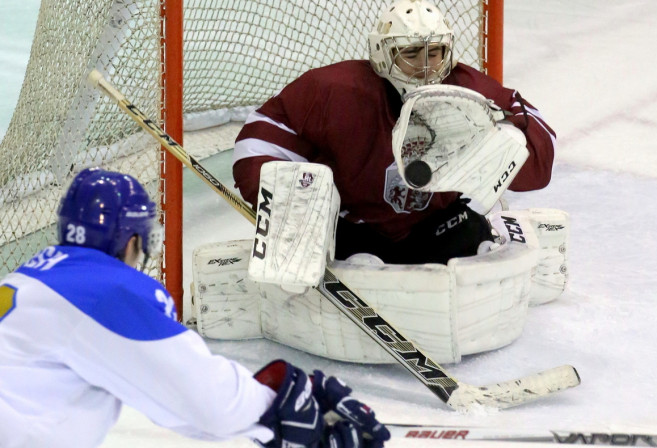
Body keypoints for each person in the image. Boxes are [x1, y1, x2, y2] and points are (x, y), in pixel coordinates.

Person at [0, 168, 389, 448]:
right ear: (131, 240)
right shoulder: (105, 291)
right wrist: (280, 402)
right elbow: (204, 400)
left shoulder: (27, 279)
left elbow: (172, 402)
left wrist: (265, 415)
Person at [233, 0, 557, 265]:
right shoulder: (336, 92)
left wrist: (501, 145)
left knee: (471, 233)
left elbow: (539, 151)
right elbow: (260, 139)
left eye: (434, 53)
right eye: (412, 54)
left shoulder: (468, 91)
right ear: (383, 54)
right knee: (331, 247)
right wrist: (286, 204)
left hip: (439, 227)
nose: (426, 67)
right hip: (357, 231)